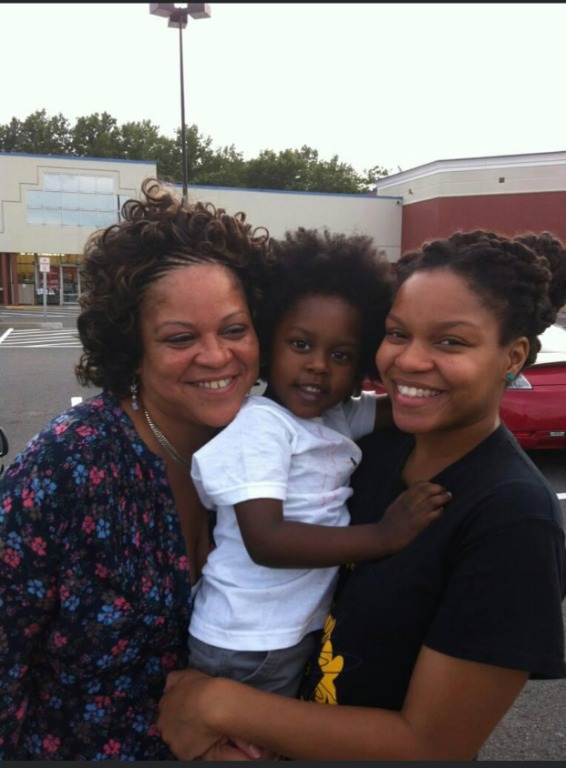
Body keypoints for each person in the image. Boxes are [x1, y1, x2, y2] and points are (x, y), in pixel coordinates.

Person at [157, 229, 566, 761]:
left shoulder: (514, 523)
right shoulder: (368, 448)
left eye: (451, 341)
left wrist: (216, 704)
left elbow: (432, 747)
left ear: (513, 356)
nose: (410, 361)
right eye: (397, 334)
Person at [0, 178, 271, 760]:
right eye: (181, 338)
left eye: (234, 329)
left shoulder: (273, 446)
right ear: (133, 346)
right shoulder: (66, 470)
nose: (218, 356)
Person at [187, 228, 450, 697]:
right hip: (246, 641)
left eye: (341, 354)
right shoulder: (261, 427)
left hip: (281, 633)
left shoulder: (336, 417)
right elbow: (266, 541)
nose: (319, 366)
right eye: (301, 345)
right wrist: (382, 537)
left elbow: (408, 406)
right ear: (268, 345)